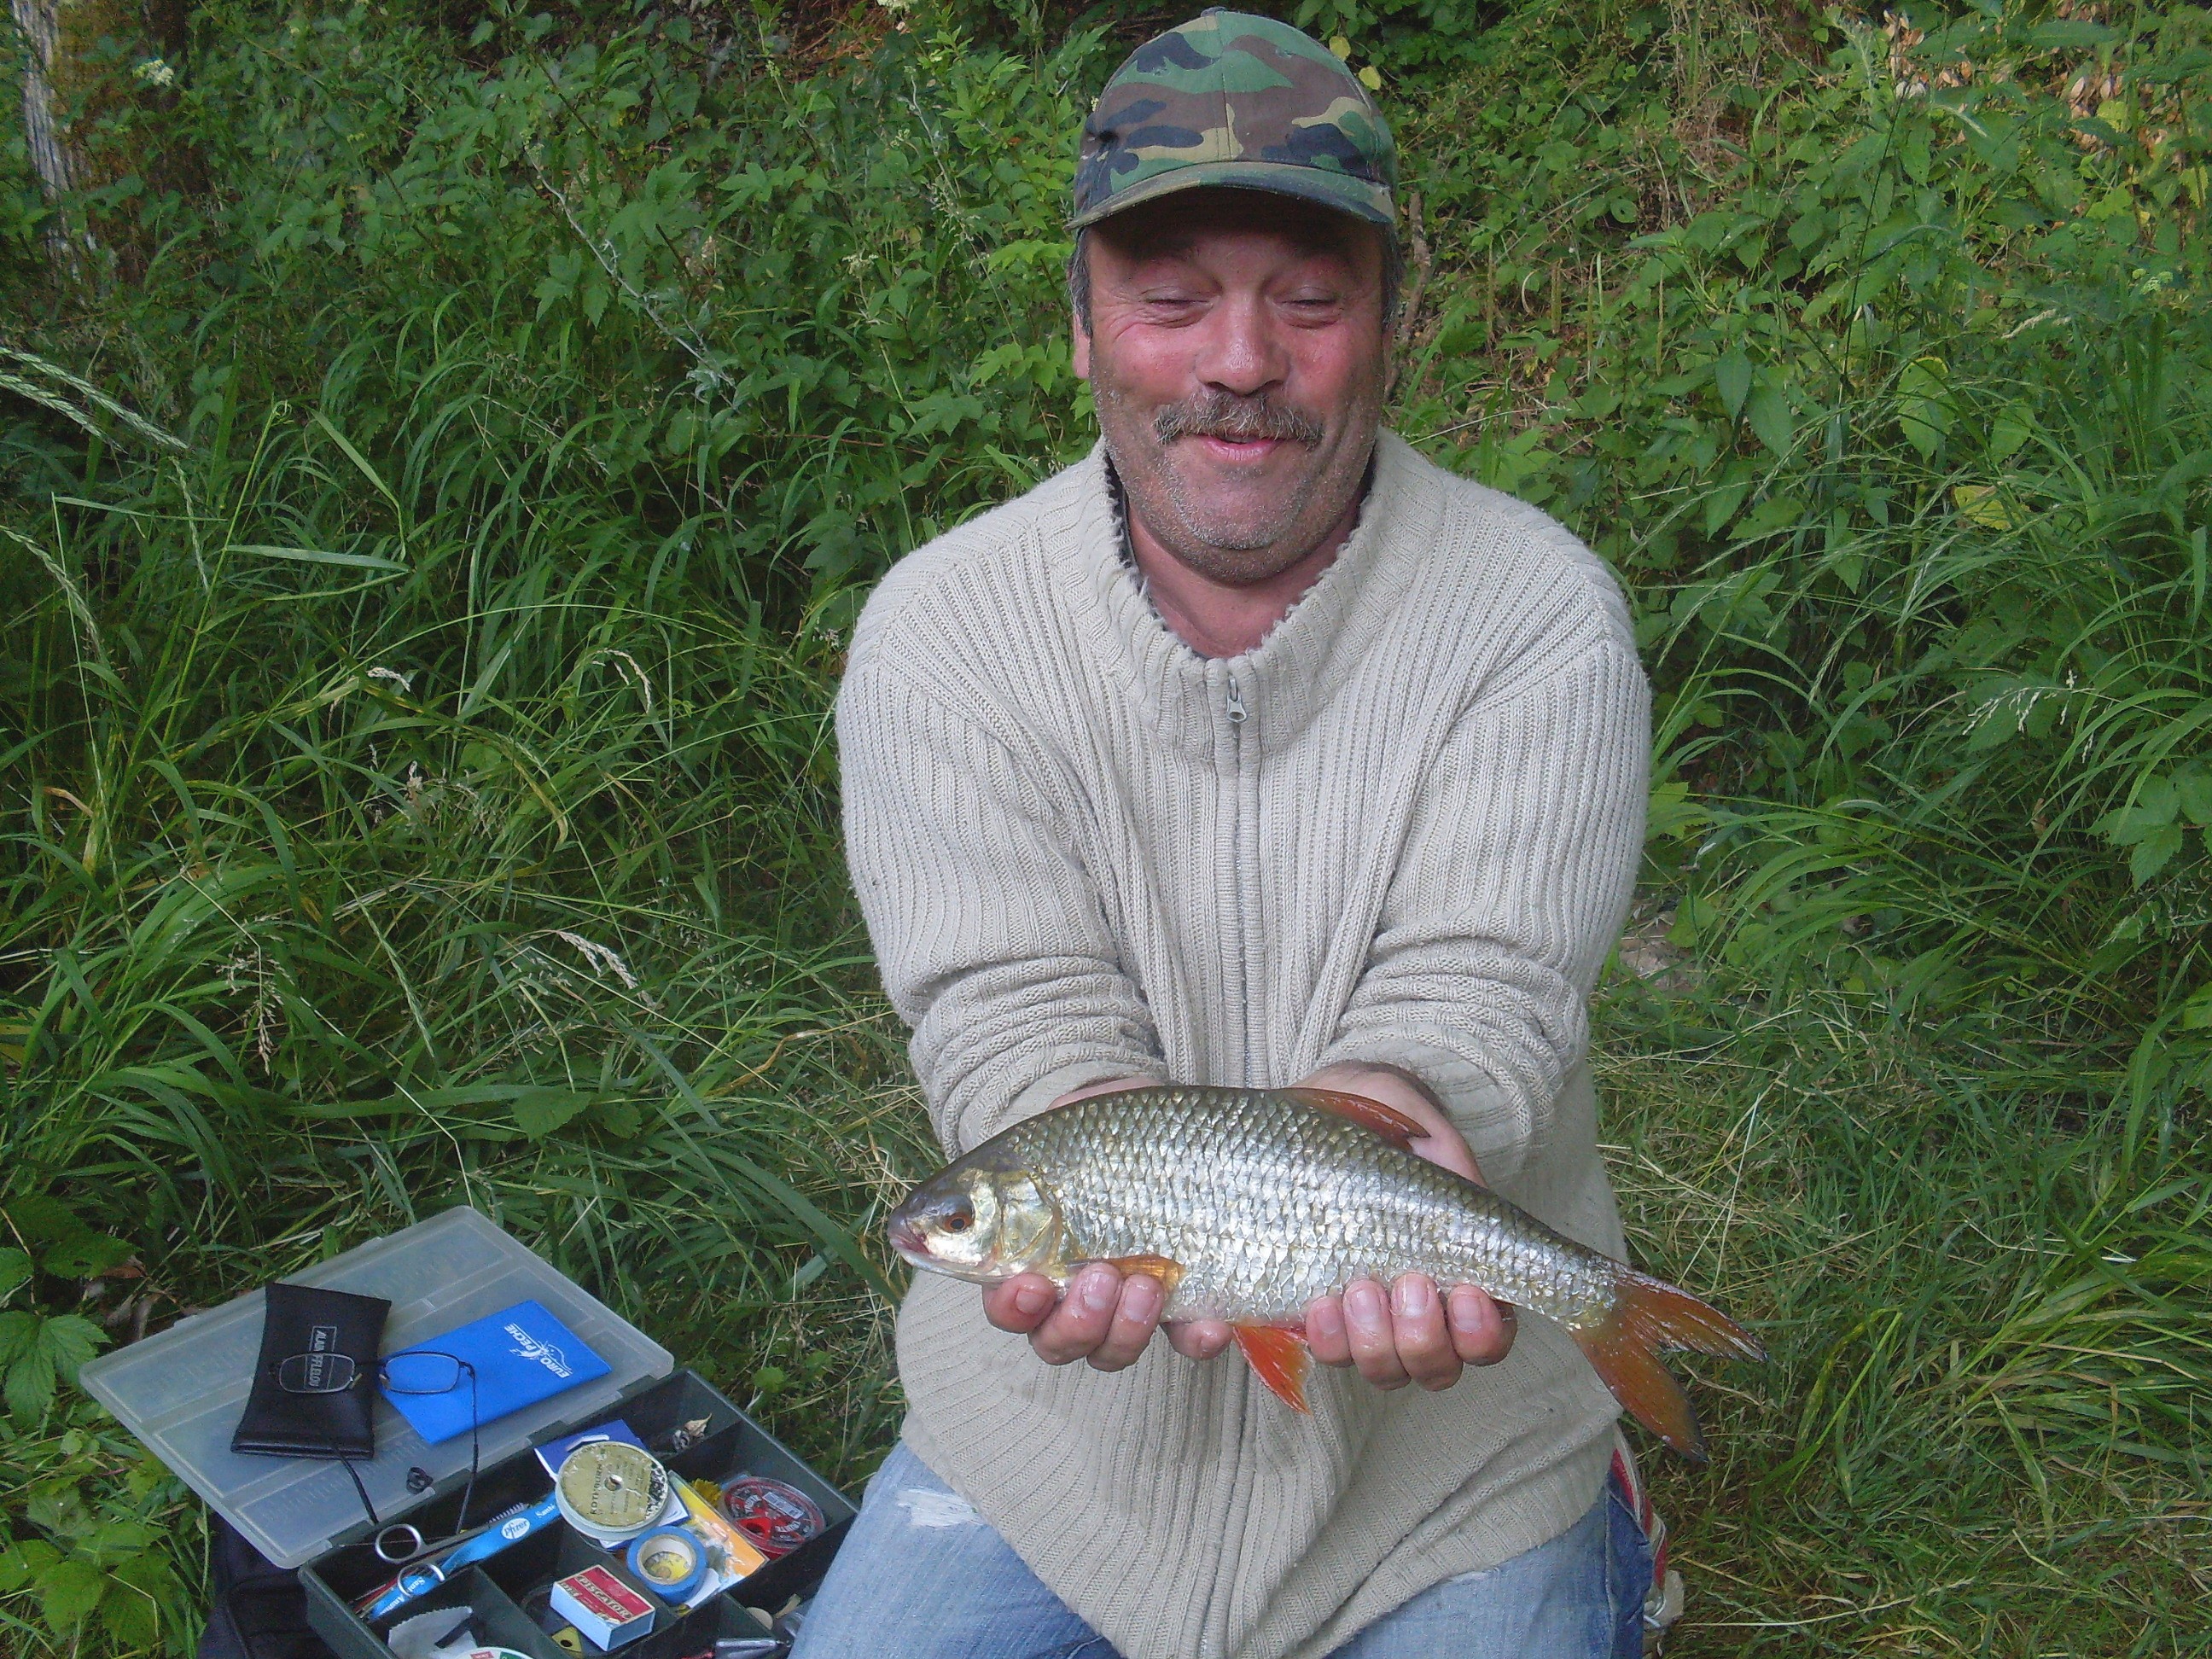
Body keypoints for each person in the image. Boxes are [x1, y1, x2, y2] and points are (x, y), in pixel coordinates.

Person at [798, 11, 1667, 1657]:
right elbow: (1008, 1010)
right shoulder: (942, 634)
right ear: (1081, 328)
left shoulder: (1537, 615)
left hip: (1450, 1463)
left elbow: (1483, 991)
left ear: (1392, 330)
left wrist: (1407, 1117)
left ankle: (1600, 1501)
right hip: (1048, 1458)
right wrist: (1069, 1139)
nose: (1240, 362)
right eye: (1173, 297)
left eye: (1311, 299)